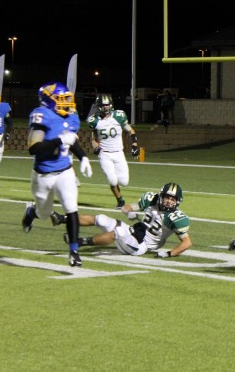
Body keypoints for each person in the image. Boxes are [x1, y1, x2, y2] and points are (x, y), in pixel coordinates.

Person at [21, 82, 93, 267]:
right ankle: (32, 212)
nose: (66, 102)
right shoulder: (41, 116)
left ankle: (74, 251)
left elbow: (71, 139)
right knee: (44, 214)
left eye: (67, 98)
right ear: (48, 100)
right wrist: (59, 140)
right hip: (43, 175)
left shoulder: (70, 115)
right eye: (61, 99)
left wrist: (83, 157)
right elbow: (34, 148)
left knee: (71, 208)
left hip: (65, 171)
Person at [55, 182, 191, 257]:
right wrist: (128, 212)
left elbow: (186, 243)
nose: (168, 201)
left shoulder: (175, 217)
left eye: (172, 199)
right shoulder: (151, 200)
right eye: (167, 197)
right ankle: (62, 218)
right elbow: (126, 208)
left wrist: (169, 254)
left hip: (140, 245)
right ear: (161, 196)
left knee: (119, 232)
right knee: (102, 219)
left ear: (177, 202)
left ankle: (79, 242)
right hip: (133, 231)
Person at [87, 94, 140, 209]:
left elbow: (130, 130)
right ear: (98, 106)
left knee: (124, 182)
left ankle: (119, 191)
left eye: (108, 105)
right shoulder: (94, 120)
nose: (106, 107)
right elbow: (94, 139)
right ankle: (120, 201)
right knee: (112, 179)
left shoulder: (118, 116)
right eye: (104, 105)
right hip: (105, 154)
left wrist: (134, 145)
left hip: (118, 152)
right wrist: (96, 147)